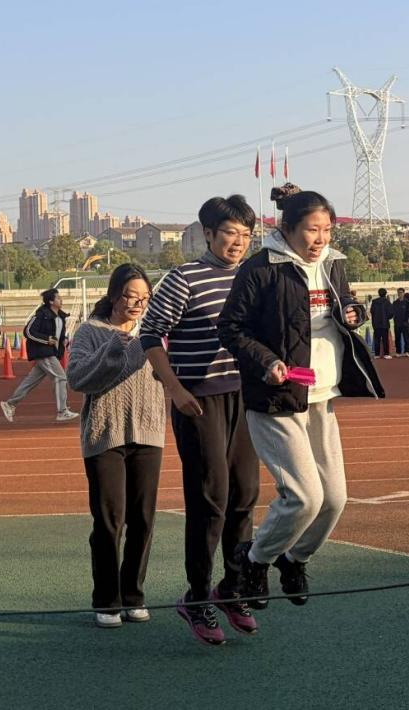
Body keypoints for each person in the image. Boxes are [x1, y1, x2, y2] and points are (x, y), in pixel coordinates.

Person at [218, 186, 385, 611]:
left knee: (334, 499)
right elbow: (231, 328)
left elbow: (345, 304)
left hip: (322, 395)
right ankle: (254, 561)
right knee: (304, 497)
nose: (320, 239)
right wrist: (266, 361)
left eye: (327, 230)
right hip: (277, 398)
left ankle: (295, 559)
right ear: (287, 228)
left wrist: (354, 312)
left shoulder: (332, 263)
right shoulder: (261, 269)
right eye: (312, 230)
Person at [140, 195, 261, 645]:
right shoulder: (184, 278)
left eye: (246, 234)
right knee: (211, 499)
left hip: (244, 399)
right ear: (208, 234)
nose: (238, 242)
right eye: (230, 233)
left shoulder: (253, 276)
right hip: (198, 401)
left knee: (245, 495)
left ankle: (231, 588)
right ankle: (196, 596)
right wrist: (174, 389)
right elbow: (150, 334)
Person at [67, 264, 165, 630]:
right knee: (110, 521)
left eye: (145, 298)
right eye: (131, 296)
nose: (138, 304)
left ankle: (133, 595)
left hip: (149, 434)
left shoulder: (155, 332)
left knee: (143, 519)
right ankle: (107, 599)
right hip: (105, 435)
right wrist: (110, 350)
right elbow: (77, 378)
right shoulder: (90, 332)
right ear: (113, 295)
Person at [0, 289, 78, 424]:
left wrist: (63, 340)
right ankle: (62, 411)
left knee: (30, 381)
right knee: (60, 377)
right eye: (58, 298)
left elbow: (58, 336)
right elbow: (28, 332)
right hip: (43, 352)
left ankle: (10, 404)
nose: (61, 300)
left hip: (51, 352)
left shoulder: (60, 317)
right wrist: (47, 340)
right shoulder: (41, 315)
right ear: (51, 301)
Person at [370, 288, 393, 359]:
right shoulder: (387, 302)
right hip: (385, 323)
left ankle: (377, 354)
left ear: (379, 293)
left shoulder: (374, 302)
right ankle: (386, 354)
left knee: (377, 339)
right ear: (385, 294)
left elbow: (372, 311)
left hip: (376, 323)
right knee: (385, 339)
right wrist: (388, 317)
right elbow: (390, 313)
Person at [392, 288, 409, 356]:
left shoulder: (407, 303)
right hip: (397, 323)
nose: (400, 294)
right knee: (397, 338)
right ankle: (398, 352)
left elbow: (408, 313)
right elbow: (393, 313)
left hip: (405, 323)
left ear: (403, 293)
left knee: (407, 338)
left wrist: (406, 321)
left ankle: (407, 351)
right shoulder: (395, 303)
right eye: (398, 292)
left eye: (401, 292)